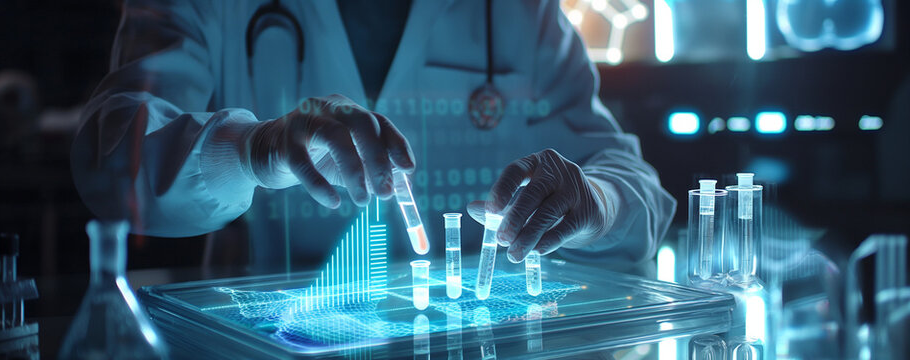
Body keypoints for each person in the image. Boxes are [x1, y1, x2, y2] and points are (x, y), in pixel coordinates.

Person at [71, 0, 676, 271]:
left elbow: (636, 190)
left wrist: (593, 201)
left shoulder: (518, 10)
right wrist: (254, 151)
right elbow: (110, 155)